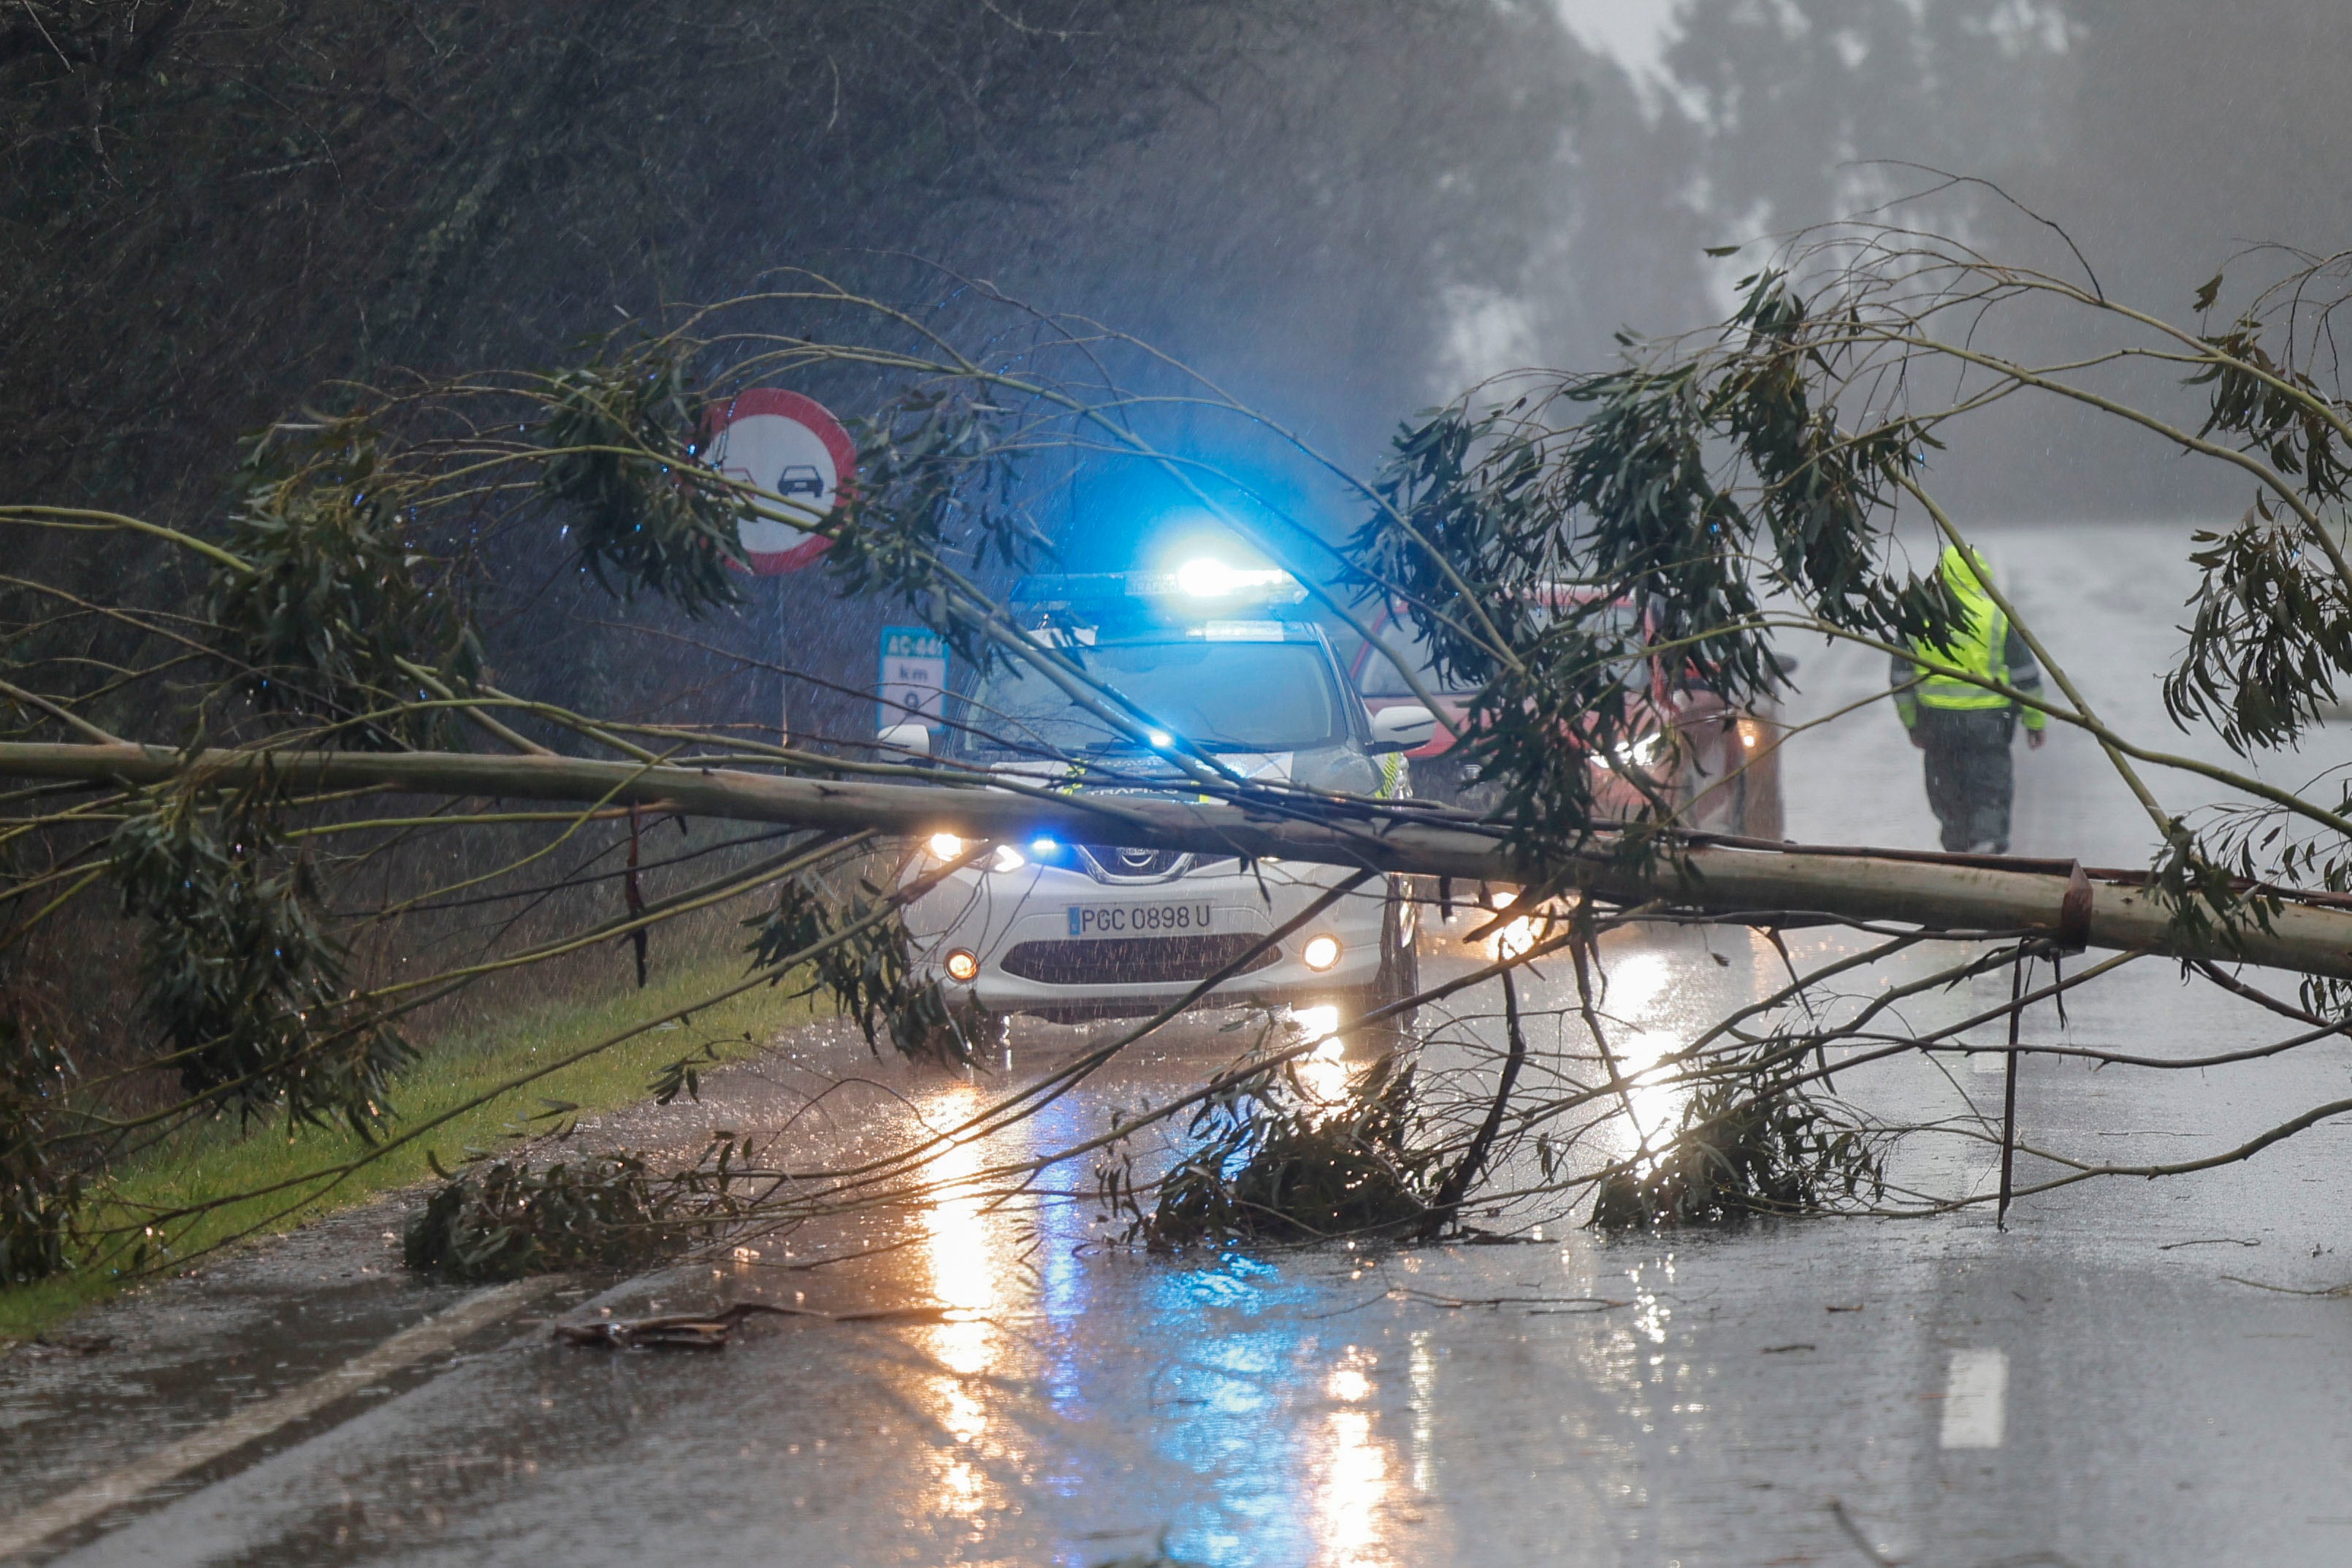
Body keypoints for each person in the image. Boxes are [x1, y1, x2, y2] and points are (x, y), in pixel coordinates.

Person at [1890, 543, 2046, 854]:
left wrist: (1912, 725)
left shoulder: (1920, 616)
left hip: (1938, 725)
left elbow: (1900, 679)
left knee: (1947, 790)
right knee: (1989, 789)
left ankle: (1959, 849)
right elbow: (2025, 675)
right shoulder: (1997, 617)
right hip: (1989, 725)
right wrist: (2034, 722)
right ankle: (1985, 847)